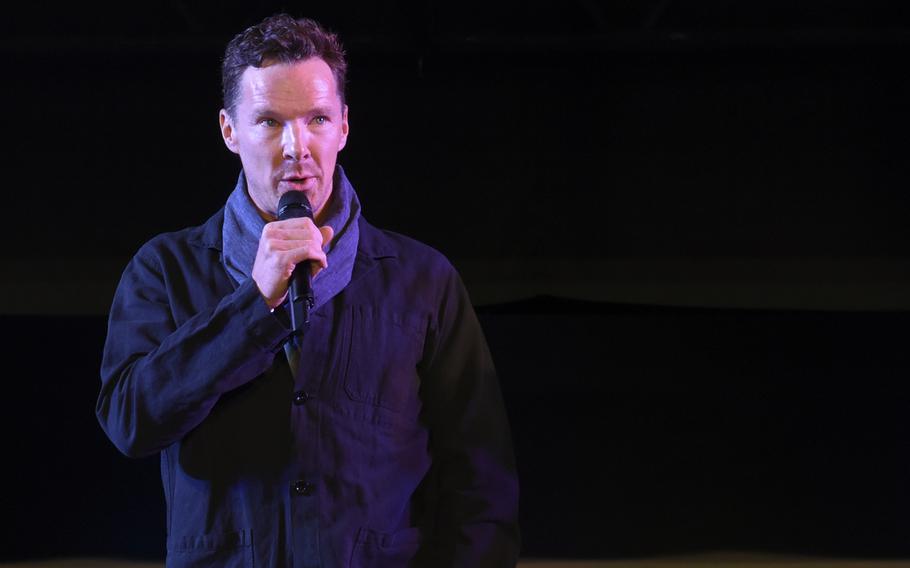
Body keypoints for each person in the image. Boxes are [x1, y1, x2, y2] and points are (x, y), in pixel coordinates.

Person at [96, 13, 520, 568]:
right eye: (270, 122)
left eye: (317, 119)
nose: (297, 146)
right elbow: (131, 422)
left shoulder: (423, 279)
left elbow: (481, 481)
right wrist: (255, 305)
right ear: (230, 130)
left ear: (344, 126)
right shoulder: (165, 270)